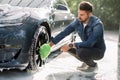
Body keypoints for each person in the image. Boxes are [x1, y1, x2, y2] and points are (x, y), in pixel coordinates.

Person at [49, 1, 106, 72]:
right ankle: (86, 62)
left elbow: (90, 44)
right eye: (78, 13)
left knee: (80, 52)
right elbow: (64, 32)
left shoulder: (97, 25)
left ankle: (93, 65)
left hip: (98, 51)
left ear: (90, 14)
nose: (79, 16)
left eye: (82, 14)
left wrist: (71, 45)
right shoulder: (78, 21)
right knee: (65, 46)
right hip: (86, 48)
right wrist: (51, 44)